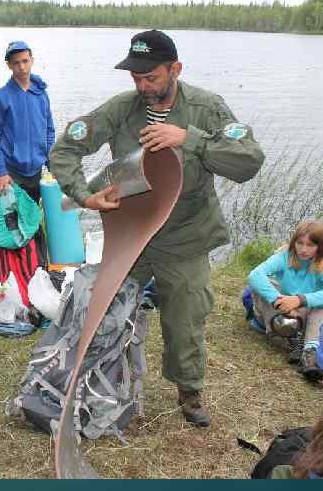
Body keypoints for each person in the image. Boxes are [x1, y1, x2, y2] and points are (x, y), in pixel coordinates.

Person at [49, 30, 265, 427]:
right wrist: (84, 195)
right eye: (136, 77)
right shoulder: (121, 109)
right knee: (107, 308)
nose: (142, 85)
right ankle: (96, 381)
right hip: (132, 232)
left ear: (175, 69)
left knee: (186, 316)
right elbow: (65, 148)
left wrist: (190, 138)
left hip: (185, 235)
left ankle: (189, 390)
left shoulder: (206, 108)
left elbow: (249, 161)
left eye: (151, 77)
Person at [247, 220, 323, 381]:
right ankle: (293, 337)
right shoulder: (284, 256)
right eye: (300, 243)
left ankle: (309, 354)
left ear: (320, 246)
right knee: (261, 287)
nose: (304, 249)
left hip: (308, 313)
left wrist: (300, 300)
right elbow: (255, 275)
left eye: (310, 245)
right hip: (282, 312)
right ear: (294, 242)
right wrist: (280, 301)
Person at [0, 41, 55, 202]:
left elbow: (49, 131)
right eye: (16, 63)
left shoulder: (41, 94)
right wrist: (1, 171)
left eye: (25, 61)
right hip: (10, 172)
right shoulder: (0, 98)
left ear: (32, 60)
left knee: (31, 217)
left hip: (36, 171)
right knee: (11, 222)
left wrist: (52, 162)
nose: (22, 67)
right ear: (9, 65)